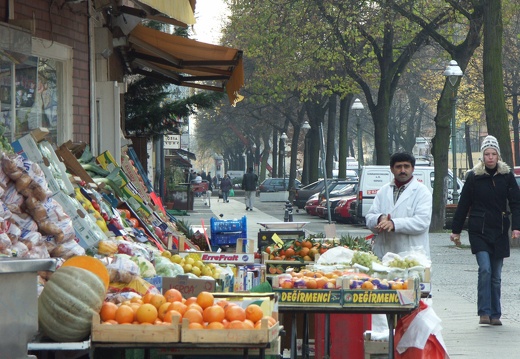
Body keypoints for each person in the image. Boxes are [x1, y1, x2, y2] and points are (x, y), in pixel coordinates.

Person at [451, 135, 520, 326]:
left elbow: (516, 202)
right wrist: (455, 231)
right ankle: (484, 311)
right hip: (478, 229)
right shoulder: (474, 177)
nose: (490, 157)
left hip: (499, 229)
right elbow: (464, 204)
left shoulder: (507, 176)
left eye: (493, 154)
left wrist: (516, 227)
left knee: (496, 275)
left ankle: (495, 314)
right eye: (487, 154)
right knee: (485, 269)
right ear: (482, 156)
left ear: (498, 156)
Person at [365, 152, 433, 259]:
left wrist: (394, 224)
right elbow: (369, 217)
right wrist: (379, 219)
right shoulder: (383, 191)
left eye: (406, 166)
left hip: (412, 256)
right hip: (384, 253)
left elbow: (422, 222)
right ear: (391, 169)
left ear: (413, 168)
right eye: (398, 167)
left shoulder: (422, 192)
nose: (402, 170)